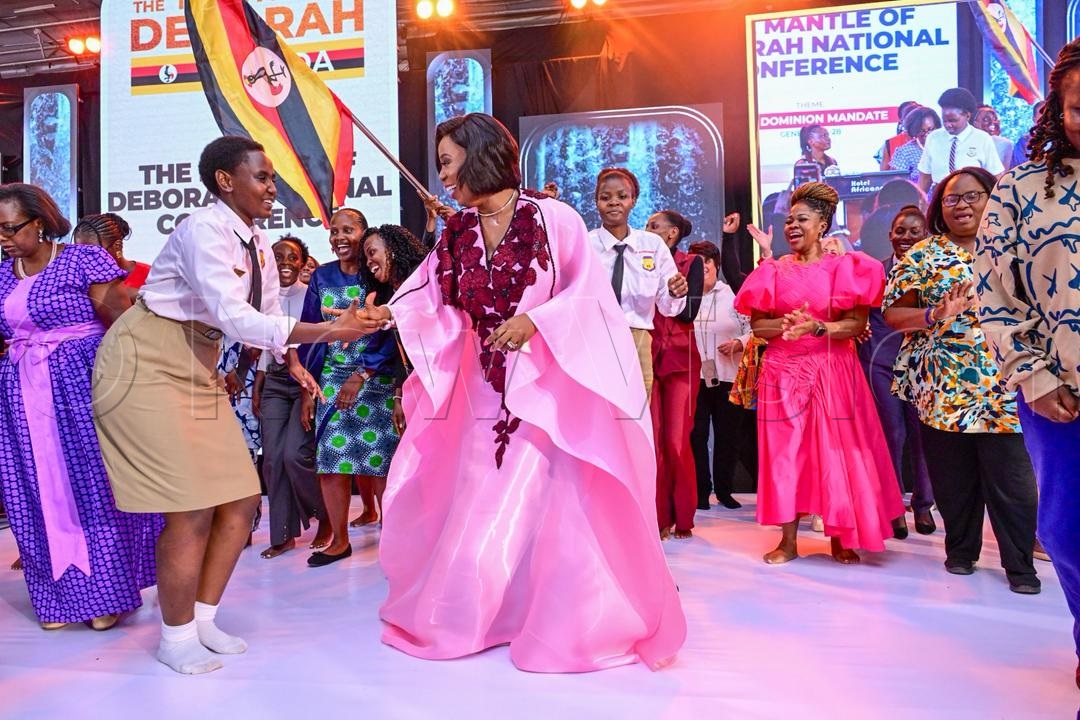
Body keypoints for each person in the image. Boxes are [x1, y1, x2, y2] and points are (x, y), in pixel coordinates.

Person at [364, 113, 686, 672]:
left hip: (545, 390)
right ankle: (478, 612)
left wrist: (535, 322)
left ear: (480, 154)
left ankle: (550, 615)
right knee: (476, 496)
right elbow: (430, 295)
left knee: (537, 500)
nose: (441, 174)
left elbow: (588, 297)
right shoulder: (456, 230)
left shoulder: (552, 217)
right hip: (480, 392)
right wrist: (386, 313)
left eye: (447, 160)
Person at [92, 136, 375, 675]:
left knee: (243, 499)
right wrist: (331, 329)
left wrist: (302, 356)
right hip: (146, 361)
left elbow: (266, 320)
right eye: (262, 177)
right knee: (192, 505)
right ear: (226, 180)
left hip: (198, 362)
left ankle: (201, 620)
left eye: (271, 178)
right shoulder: (204, 229)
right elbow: (234, 315)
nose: (272, 187)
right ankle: (174, 638)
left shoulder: (259, 242)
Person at [0, 183, 159, 631]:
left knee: (92, 487)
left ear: (42, 222)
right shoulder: (0, 274)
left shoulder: (81, 259)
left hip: (82, 391)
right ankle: (57, 600)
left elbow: (123, 325)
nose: (5, 238)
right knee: (35, 491)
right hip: (22, 397)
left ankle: (107, 595)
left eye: (12, 228)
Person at [975, 37, 1080, 687]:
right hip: (1060, 393)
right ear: (1058, 109)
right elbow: (994, 291)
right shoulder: (1020, 189)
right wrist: (1035, 378)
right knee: (1068, 532)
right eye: (1078, 106)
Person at [881, 166, 1039, 595]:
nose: (963, 205)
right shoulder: (923, 255)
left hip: (1007, 385)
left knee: (1014, 483)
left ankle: (1020, 567)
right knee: (954, 480)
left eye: (973, 196)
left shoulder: (1019, 248)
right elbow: (894, 315)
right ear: (939, 208)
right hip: (943, 387)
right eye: (952, 199)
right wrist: (935, 314)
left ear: (992, 198)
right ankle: (961, 551)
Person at [734, 182, 905, 565]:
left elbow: (855, 325)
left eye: (802, 219)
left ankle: (840, 537)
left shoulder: (847, 268)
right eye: (789, 220)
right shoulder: (772, 272)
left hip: (833, 369)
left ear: (823, 223)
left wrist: (817, 328)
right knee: (785, 455)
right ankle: (788, 541)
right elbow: (759, 327)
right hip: (782, 372)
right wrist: (784, 325)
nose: (792, 226)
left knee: (835, 452)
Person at [299, 208, 401, 567]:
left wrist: (362, 375)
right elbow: (308, 330)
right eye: (333, 231)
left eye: (348, 230)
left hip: (376, 379)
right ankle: (339, 541)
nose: (339, 237)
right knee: (330, 460)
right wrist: (307, 390)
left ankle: (395, 538)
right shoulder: (322, 276)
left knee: (383, 462)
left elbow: (392, 331)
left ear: (364, 232)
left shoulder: (379, 273)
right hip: (331, 380)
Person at [856, 206, 936, 536]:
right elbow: (859, 314)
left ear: (926, 236)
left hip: (922, 369)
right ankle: (893, 508)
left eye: (914, 231)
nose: (906, 237)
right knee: (892, 436)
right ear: (890, 234)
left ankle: (923, 507)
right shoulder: (875, 272)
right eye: (900, 230)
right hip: (881, 365)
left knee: (923, 440)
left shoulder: (935, 275)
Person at [252, 235, 329, 559]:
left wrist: (305, 390)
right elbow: (261, 341)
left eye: (292, 257)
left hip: (303, 381)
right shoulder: (261, 297)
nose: (284, 262)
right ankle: (283, 535)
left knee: (294, 455)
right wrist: (259, 381)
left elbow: (307, 343)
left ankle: (324, 515)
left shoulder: (306, 296)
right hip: (272, 381)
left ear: (303, 263)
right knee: (270, 460)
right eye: (278, 256)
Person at [587, 167, 688, 400]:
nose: (613, 202)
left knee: (637, 410)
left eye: (622, 196)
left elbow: (666, 305)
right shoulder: (585, 244)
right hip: (593, 335)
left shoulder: (652, 245)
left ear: (633, 200)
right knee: (597, 407)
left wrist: (675, 293)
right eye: (605, 197)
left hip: (637, 335)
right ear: (596, 202)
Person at [644, 210, 704, 538]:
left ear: (671, 235)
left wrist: (670, 288)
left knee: (677, 441)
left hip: (681, 361)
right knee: (652, 442)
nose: (646, 230)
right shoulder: (640, 264)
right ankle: (657, 518)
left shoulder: (690, 263)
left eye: (653, 226)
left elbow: (690, 312)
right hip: (646, 358)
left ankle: (683, 517)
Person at [687, 240, 755, 512]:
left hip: (729, 376)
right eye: (695, 262)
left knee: (728, 437)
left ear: (715, 264)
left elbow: (755, 328)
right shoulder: (685, 297)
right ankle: (701, 492)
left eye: (706, 262)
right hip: (694, 378)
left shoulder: (733, 295)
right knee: (697, 436)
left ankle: (725, 491)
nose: (701, 267)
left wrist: (740, 342)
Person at [356, 223, 428, 441]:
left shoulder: (423, 280)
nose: (369, 263)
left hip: (443, 382)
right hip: (416, 387)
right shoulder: (389, 294)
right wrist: (400, 396)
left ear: (392, 248)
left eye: (372, 253)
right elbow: (402, 351)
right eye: (365, 259)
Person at [918, 87, 1004, 195]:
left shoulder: (982, 139)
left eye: (953, 120)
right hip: (941, 200)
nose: (948, 125)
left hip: (972, 200)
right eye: (945, 120)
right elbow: (925, 178)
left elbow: (996, 177)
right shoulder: (933, 138)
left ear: (967, 116)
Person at [72, 212, 151, 292]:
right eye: (80, 252)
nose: (86, 259)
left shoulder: (150, 275)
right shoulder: (76, 279)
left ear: (118, 246)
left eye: (94, 252)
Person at [889, 106, 942, 183]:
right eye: (922, 131)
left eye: (930, 129)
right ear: (914, 131)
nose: (927, 134)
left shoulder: (945, 145)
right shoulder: (904, 152)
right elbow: (896, 184)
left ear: (937, 127)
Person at [877, 100, 920, 170]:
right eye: (908, 117)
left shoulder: (930, 139)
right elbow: (883, 176)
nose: (913, 122)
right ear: (901, 121)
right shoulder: (890, 143)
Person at [974, 104, 1015, 170]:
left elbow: (1004, 175)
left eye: (995, 119)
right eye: (986, 119)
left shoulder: (1005, 144)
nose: (992, 122)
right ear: (974, 122)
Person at [1010, 99, 1046, 168]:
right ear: (1034, 119)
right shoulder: (1023, 143)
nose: (1047, 121)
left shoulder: (1062, 140)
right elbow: (1017, 169)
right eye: (1042, 118)